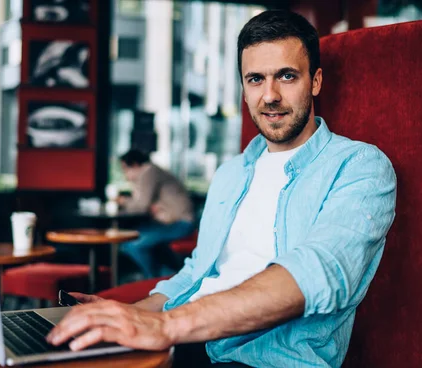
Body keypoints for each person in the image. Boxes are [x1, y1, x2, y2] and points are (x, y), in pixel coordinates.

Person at [46, 10, 397, 368]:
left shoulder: (360, 166)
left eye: (287, 76)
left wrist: (165, 325)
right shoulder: (231, 173)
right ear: (244, 89)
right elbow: (198, 272)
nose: (270, 95)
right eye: (255, 79)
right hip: (187, 344)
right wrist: (127, 315)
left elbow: (317, 273)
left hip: (262, 360)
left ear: (316, 81)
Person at [117, 149, 195, 279]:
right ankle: (167, 277)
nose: (125, 174)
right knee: (132, 239)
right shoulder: (152, 172)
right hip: (172, 223)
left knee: (131, 244)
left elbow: (141, 206)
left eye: (125, 169)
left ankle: (157, 278)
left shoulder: (149, 172)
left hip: (181, 224)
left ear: (135, 165)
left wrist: (124, 201)